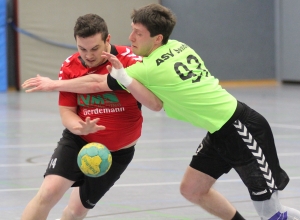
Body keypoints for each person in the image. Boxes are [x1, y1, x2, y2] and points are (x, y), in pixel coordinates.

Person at [22, 4, 300, 220]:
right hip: (218, 130)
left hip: (241, 128)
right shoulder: (178, 46)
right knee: (191, 189)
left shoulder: (146, 67)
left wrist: (52, 84)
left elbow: (99, 83)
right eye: (131, 30)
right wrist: (124, 79)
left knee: (272, 213)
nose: (130, 37)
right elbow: (156, 104)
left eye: (137, 33)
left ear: (156, 38)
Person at [21, 13, 162, 220]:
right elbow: (67, 112)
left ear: (107, 40)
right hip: (78, 140)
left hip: (116, 154)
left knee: (76, 211)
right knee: (47, 193)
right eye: (82, 48)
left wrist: (53, 84)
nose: (88, 55)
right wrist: (79, 127)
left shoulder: (130, 61)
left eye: (95, 48)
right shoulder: (70, 66)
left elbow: (98, 83)